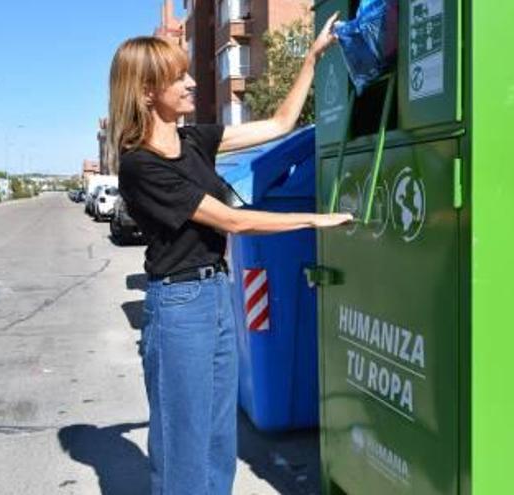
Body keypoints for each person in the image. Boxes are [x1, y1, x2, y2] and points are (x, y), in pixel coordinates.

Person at [105, 13, 348, 495]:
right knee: (184, 445)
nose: (193, 82)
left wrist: (311, 58)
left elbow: (281, 123)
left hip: (217, 294)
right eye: (179, 78)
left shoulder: (195, 140)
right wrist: (316, 219)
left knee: (219, 439)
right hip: (179, 308)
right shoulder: (140, 165)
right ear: (147, 91)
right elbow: (234, 220)